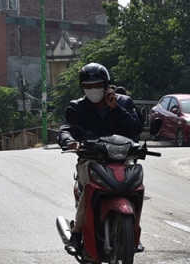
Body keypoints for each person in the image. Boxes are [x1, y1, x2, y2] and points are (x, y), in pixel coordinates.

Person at [58, 63, 143, 248]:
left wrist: (116, 109)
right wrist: (68, 141)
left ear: (106, 85)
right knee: (90, 185)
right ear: (82, 88)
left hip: (121, 159)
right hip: (90, 160)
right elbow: (66, 129)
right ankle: (77, 232)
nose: (93, 89)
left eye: (97, 85)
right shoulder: (77, 107)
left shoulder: (124, 103)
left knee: (136, 185)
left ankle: (133, 229)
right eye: (88, 86)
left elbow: (136, 129)